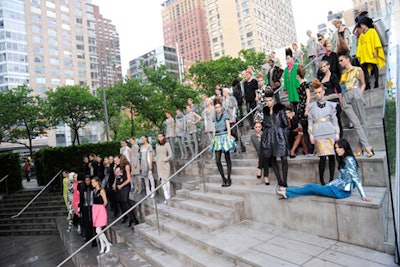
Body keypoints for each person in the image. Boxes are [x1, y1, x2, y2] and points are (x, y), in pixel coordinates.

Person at [276, 139, 373, 202]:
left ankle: (287, 191)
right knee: (311, 189)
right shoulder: (343, 159)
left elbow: (355, 178)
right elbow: (339, 178)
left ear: (345, 148)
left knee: (311, 187)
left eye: (339, 148)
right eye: (336, 148)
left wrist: (363, 195)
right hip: (337, 188)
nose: (337, 150)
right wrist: (327, 186)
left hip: (341, 192)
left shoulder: (349, 160)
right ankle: (287, 192)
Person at [339, 53, 374, 157]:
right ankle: (367, 146)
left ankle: (363, 147)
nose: (340, 63)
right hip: (346, 97)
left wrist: (359, 93)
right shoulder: (343, 73)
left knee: (362, 122)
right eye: (339, 61)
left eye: (341, 60)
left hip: (355, 93)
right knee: (356, 123)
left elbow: (363, 83)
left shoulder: (357, 69)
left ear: (348, 59)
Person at [308, 79, 340, 185]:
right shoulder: (311, 106)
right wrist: (311, 134)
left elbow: (334, 119)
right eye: (316, 93)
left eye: (319, 92)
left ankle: (331, 178)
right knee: (322, 157)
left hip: (330, 131)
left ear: (323, 92)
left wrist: (337, 133)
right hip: (318, 132)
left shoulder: (331, 105)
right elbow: (310, 121)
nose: (318, 94)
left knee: (331, 156)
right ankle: (321, 179)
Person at [260, 90, 289, 187]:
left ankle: (284, 181)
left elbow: (285, 124)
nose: (268, 102)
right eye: (266, 101)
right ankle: (279, 180)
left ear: (274, 100)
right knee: (272, 158)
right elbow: (264, 124)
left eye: (270, 100)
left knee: (284, 158)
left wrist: (283, 135)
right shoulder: (265, 111)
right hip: (269, 136)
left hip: (279, 135)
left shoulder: (280, 109)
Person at [209, 100, 236, 187]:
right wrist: (213, 139)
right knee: (217, 160)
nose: (218, 109)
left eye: (219, 107)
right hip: (217, 137)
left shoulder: (225, 116)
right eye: (216, 107)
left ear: (221, 107)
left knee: (227, 158)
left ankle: (228, 178)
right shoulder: (214, 117)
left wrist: (229, 137)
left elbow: (228, 127)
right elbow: (214, 128)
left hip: (224, 136)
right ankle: (223, 178)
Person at [356, 16, 386, 89]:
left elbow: (375, 41)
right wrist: (359, 56)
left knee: (374, 66)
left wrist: (375, 50)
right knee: (365, 69)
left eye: (362, 25)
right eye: (361, 25)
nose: (361, 27)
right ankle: (368, 84)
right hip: (364, 54)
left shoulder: (372, 31)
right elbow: (359, 46)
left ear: (365, 24)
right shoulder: (361, 35)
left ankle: (376, 81)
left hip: (371, 52)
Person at [319, 60, 343, 138]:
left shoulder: (333, 76)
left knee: (337, 121)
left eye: (324, 66)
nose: (323, 68)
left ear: (328, 66)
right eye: (321, 67)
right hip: (325, 101)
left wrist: (341, 103)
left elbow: (339, 90)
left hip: (333, 100)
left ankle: (339, 138)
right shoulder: (321, 78)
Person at [114, 154, 139, 227]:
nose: (115, 162)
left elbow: (128, 179)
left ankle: (134, 219)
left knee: (125, 202)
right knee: (122, 203)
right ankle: (130, 219)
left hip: (125, 186)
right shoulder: (117, 167)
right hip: (119, 186)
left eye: (117, 160)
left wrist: (121, 185)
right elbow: (117, 177)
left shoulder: (126, 166)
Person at [91, 176, 112, 254]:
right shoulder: (94, 191)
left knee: (98, 230)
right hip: (95, 210)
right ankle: (103, 245)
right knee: (98, 230)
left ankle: (107, 244)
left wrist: (100, 209)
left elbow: (105, 201)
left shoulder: (102, 191)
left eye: (93, 182)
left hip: (100, 210)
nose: (92, 184)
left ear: (97, 182)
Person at [296, 64, 312, 155]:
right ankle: (309, 150)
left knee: (308, 129)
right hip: (301, 107)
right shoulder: (301, 85)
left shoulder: (305, 84)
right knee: (305, 130)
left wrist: (306, 108)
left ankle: (311, 149)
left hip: (304, 107)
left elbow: (308, 96)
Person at [155, 132, 173, 204]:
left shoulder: (167, 144)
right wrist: (156, 158)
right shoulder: (156, 145)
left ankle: (168, 195)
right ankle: (166, 197)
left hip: (165, 164)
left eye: (161, 136)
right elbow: (157, 154)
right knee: (162, 180)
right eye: (158, 137)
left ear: (163, 137)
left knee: (166, 180)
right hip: (159, 164)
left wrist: (165, 159)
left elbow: (170, 154)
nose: (159, 138)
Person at [79, 175, 96, 246]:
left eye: (89, 180)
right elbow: (81, 198)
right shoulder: (82, 188)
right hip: (85, 207)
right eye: (86, 180)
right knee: (86, 222)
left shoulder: (93, 188)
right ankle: (88, 236)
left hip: (93, 207)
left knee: (93, 222)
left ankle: (94, 239)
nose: (88, 182)